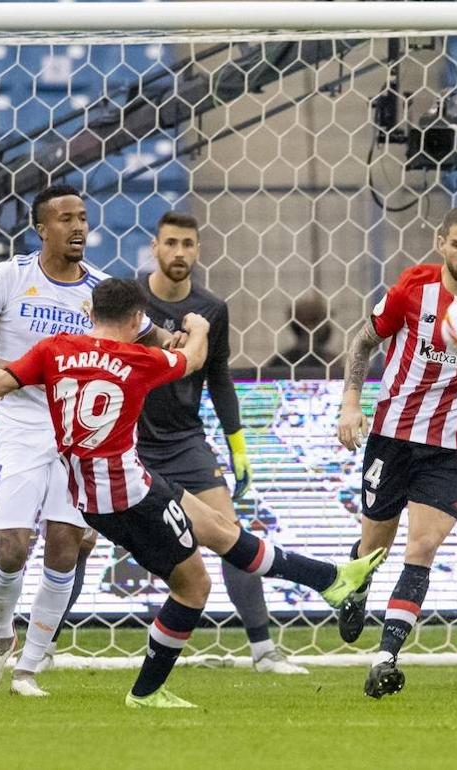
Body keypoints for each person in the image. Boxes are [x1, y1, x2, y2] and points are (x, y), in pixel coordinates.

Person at [0, 278, 385, 707]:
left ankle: (330, 580)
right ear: (134, 319)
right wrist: (200, 327)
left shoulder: (54, 351)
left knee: (218, 529)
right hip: (126, 500)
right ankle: (147, 692)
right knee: (195, 587)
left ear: (91, 313)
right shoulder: (138, 359)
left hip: (113, 488)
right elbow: (193, 358)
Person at [0, 184, 174, 697]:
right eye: (65, 219)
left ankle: (29, 667)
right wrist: (20, 371)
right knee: (11, 548)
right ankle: (2, 636)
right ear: (41, 229)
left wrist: (176, 339)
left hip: (79, 433)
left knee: (65, 546)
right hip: (21, 428)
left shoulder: (100, 290)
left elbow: (150, 336)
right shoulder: (10, 277)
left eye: (83, 218)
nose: (78, 228)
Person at [336, 205, 457, 698]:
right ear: (442, 243)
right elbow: (363, 343)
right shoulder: (412, 290)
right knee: (375, 544)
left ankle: (386, 656)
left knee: (422, 547)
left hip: (454, 445)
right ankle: (355, 582)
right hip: (393, 434)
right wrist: (351, 404)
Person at [137, 211, 305, 674]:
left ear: (198, 250)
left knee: (231, 535)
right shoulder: (130, 298)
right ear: (154, 247)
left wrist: (238, 446)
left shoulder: (212, 309)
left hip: (185, 442)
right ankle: (42, 648)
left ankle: (262, 650)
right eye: (170, 243)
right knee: (80, 540)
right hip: (129, 442)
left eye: (187, 244)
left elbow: (220, 379)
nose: (178, 253)